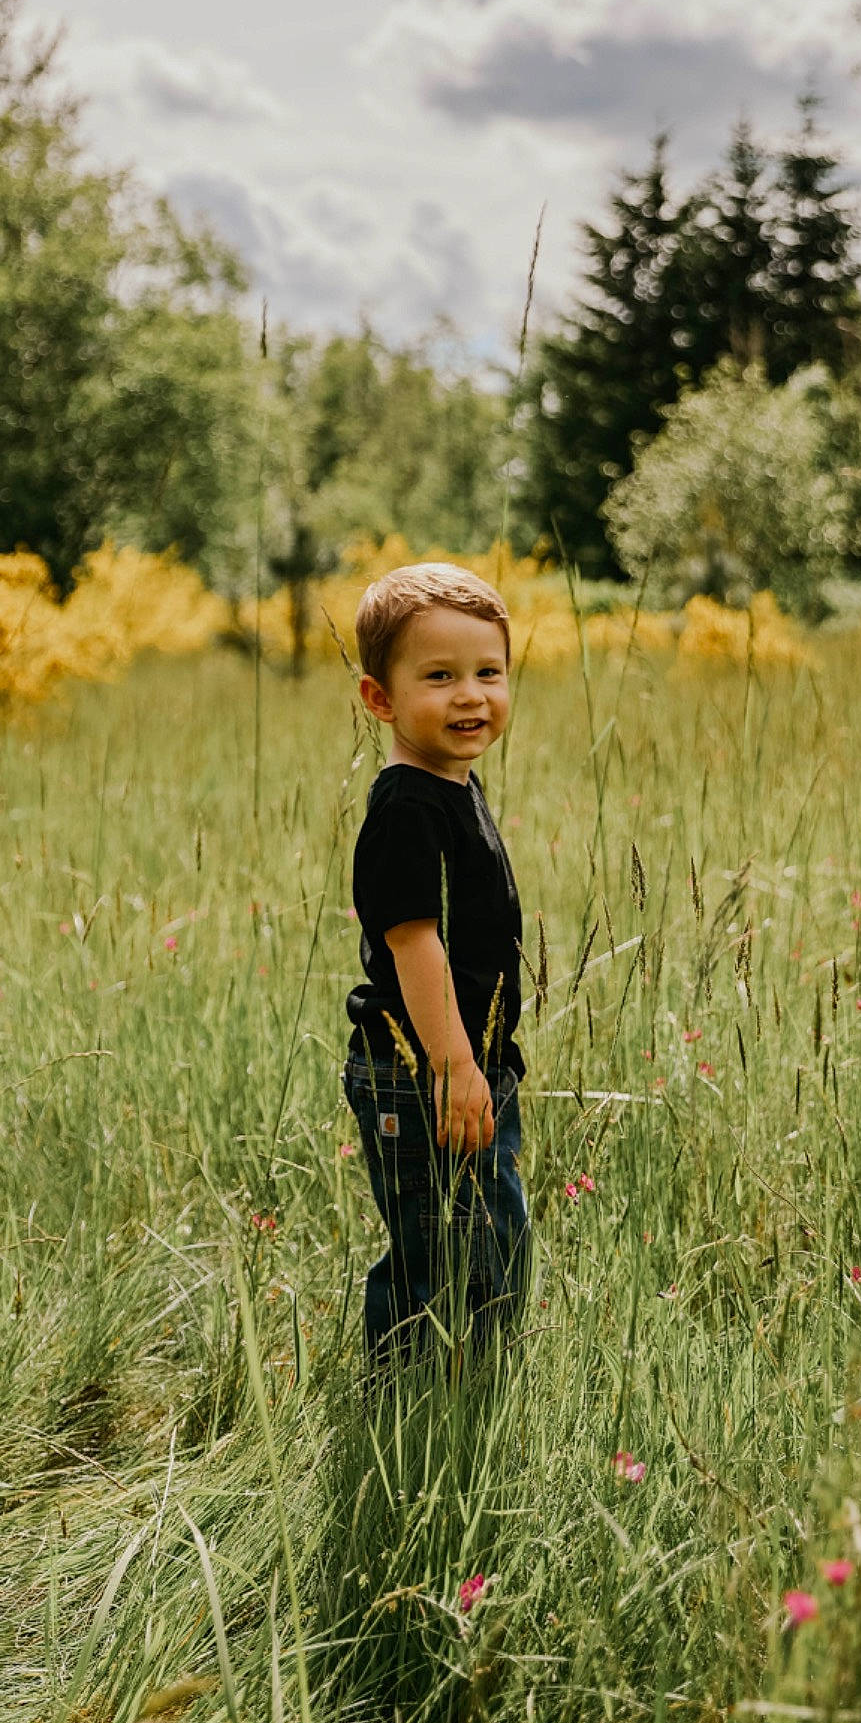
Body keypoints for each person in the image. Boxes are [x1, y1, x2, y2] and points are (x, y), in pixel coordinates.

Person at [341, 561, 532, 1386]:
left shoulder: (452, 786)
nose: (470, 696)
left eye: (488, 673)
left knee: (490, 1235)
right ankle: (407, 1404)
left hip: (466, 1068)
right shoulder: (407, 807)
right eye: (440, 677)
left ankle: (471, 1394)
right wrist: (453, 1064)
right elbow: (413, 941)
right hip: (422, 1074)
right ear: (380, 698)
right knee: (439, 1254)